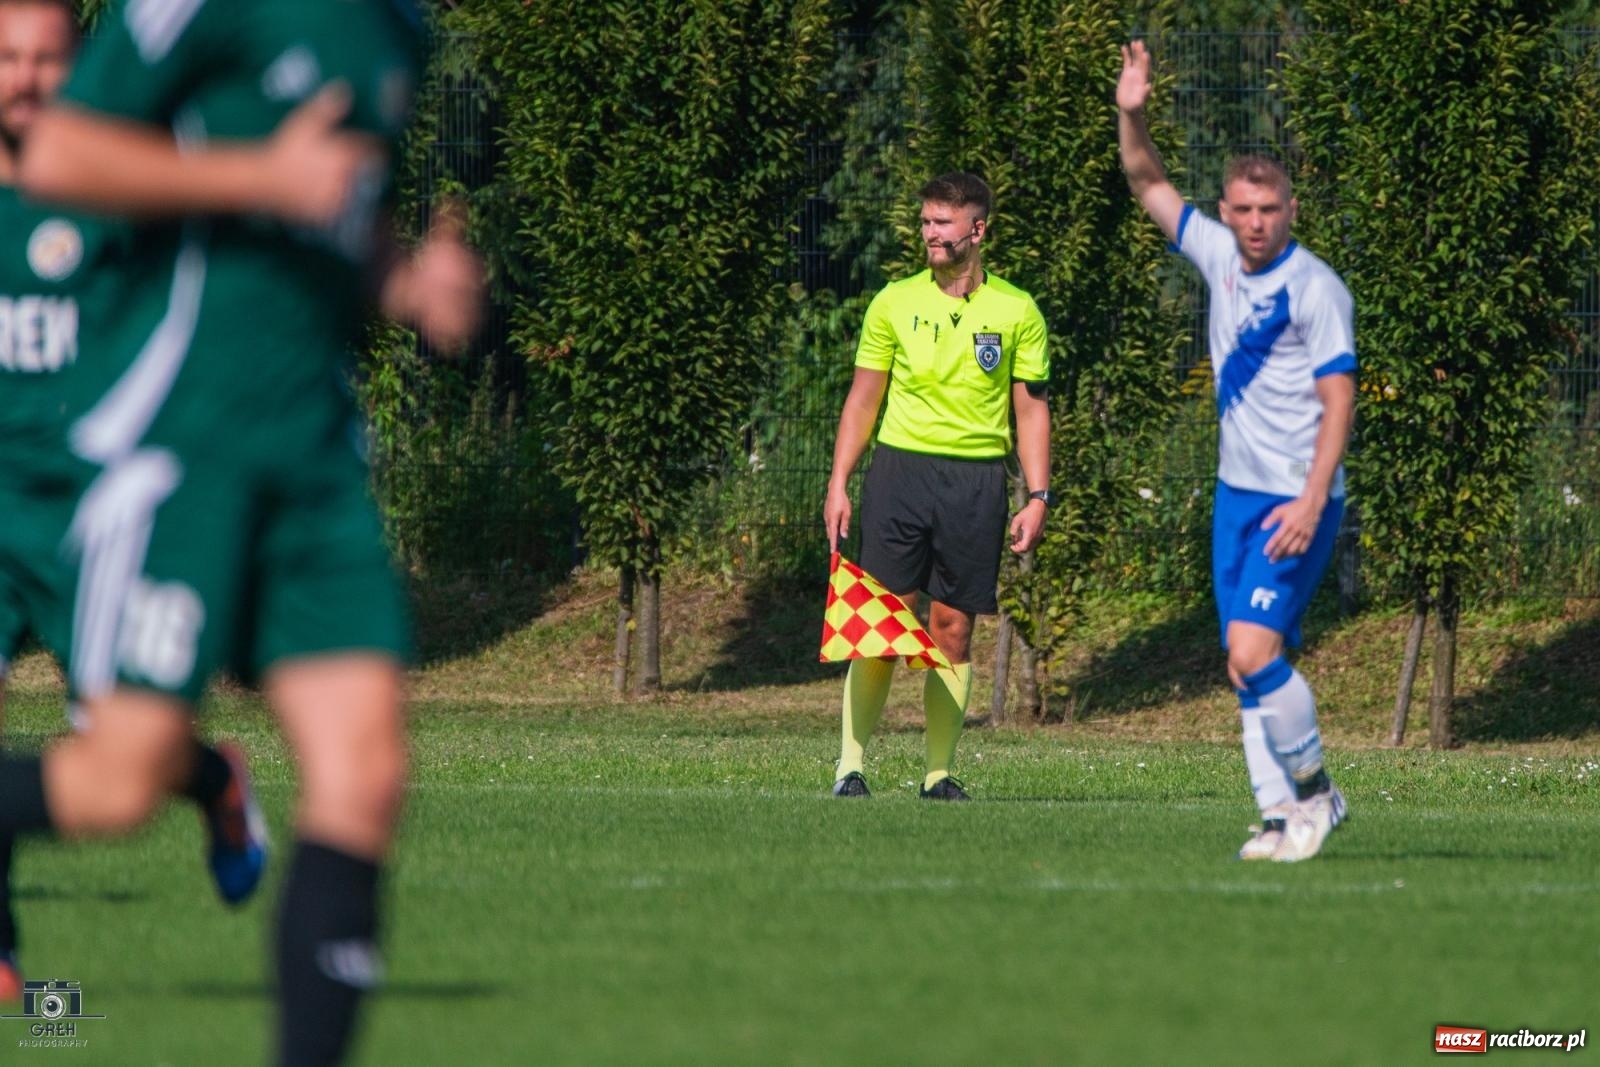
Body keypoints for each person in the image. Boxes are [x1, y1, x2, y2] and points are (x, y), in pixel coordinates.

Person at [0, 0, 481, 1062]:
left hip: (311, 449)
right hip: (181, 444)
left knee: (365, 770)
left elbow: (339, 227)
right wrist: (258, 176)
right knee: (120, 780)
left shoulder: (397, 27)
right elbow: (61, 152)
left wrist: (404, 282)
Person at [0, 0, 269, 1003]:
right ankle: (8, 965)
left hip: (91, 517)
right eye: (6, 57)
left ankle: (217, 782)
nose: (24, 75)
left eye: (44, 57)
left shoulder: (117, 198)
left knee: (126, 751)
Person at [1116, 41, 1355, 862]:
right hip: (1236, 495)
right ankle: (1278, 815)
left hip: (1296, 496)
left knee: (1255, 651)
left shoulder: (1317, 289)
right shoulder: (1216, 256)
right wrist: (1131, 111)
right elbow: (1147, 180)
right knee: (1242, 664)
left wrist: (1314, 498)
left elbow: (1339, 399)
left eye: (1269, 210)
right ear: (1227, 211)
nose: (1254, 223)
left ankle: (1319, 796)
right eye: (1242, 210)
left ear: (1291, 211)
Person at [823, 172, 1052, 801]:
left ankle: (938, 774)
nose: (929, 233)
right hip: (900, 473)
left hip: (976, 482)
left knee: (953, 626)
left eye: (942, 223)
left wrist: (1038, 495)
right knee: (879, 626)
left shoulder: (1016, 310)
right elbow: (862, 400)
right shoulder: (893, 301)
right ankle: (850, 768)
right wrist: (840, 481)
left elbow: (1031, 409)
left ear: (977, 230)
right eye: (925, 221)